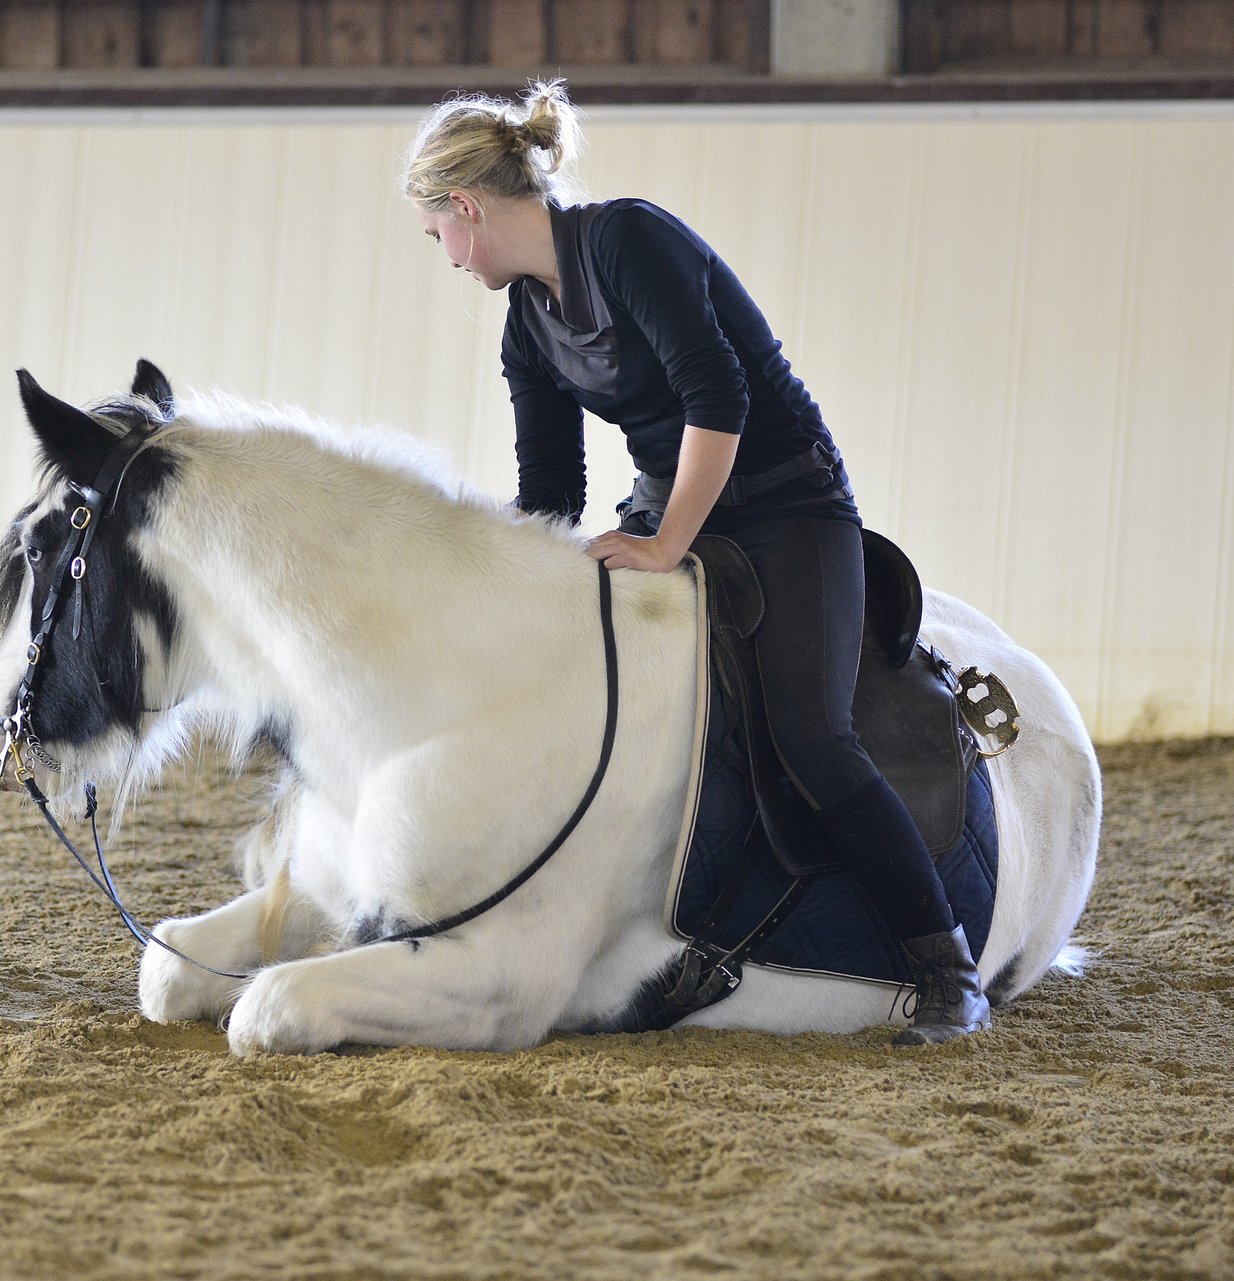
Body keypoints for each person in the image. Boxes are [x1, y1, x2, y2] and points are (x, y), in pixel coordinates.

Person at [402, 82, 989, 1045]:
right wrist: (493, 581)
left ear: (465, 209)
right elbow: (548, 489)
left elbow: (720, 399)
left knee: (813, 737)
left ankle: (946, 967)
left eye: (437, 236)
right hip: (668, 503)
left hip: (787, 503)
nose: (447, 258)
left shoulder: (629, 239)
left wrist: (665, 544)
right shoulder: (525, 327)